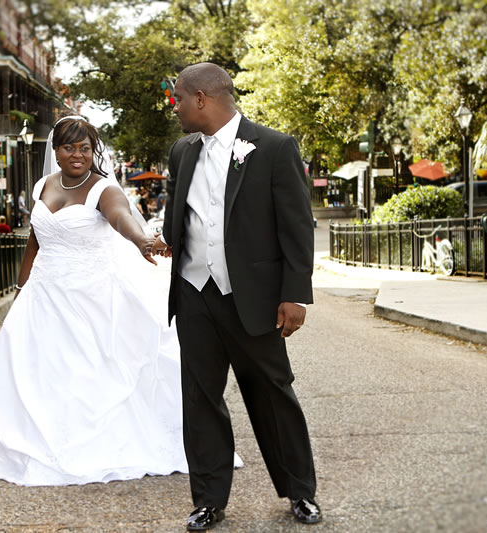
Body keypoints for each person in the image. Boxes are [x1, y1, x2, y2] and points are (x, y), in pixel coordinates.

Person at [0, 116, 192, 486]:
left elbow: (121, 220)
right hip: (43, 293)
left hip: (90, 295)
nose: (78, 154)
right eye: (69, 147)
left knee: (85, 369)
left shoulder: (103, 189)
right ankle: (37, 438)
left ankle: (85, 443)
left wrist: (143, 241)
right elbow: (35, 241)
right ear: (56, 150)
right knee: (33, 364)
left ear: (93, 150)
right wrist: (21, 289)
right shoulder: (43, 185)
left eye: (85, 147)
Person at [153, 62, 321, 530]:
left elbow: (295, 227)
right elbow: (180, 220)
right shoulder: (181, 152)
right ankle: (209, 499)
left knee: (272, 394)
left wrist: (295, 295)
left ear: (202, 98)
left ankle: (300, 493)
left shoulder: (273, 147)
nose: (177, 108)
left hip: (254, 297)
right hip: (193, 295)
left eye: (180, 100)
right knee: (201, 399)